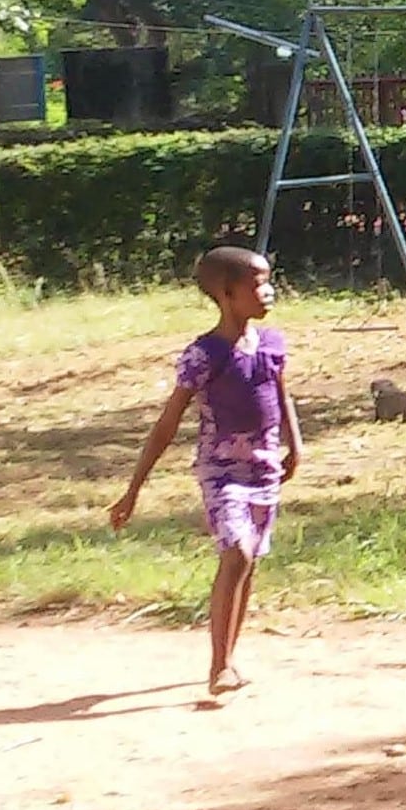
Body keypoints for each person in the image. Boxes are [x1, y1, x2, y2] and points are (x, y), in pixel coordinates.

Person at [110, 245, 301, 696]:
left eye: (269, 281)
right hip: (222, 473)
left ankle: (230, 659)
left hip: (265, 470)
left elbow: (282, 395)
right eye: (258, 284)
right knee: (236, 553)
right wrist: (133, 489)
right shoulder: (204, 355)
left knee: (249, 563)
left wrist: (296, 445)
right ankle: (218, 667)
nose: (268, 291)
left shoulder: (271, 345)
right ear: (227, 293)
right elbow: (168, 423)